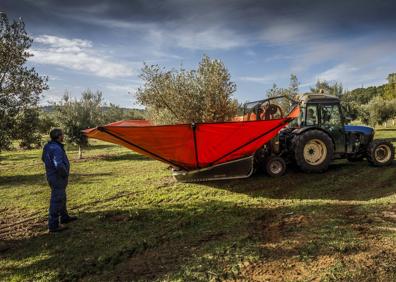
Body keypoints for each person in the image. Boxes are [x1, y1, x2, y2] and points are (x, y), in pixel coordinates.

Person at [42, 128, 77, 232]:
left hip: (51, 175)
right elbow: (59, 164)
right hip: (58, 177)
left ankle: (64, 217)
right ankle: (53, 225)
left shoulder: (48, 146)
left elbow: (43, 158)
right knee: (56, 200)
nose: (63, 136)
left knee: (62, 197)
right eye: (62, 135)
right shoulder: (56, 148)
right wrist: (65, 173)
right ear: (58, 136)